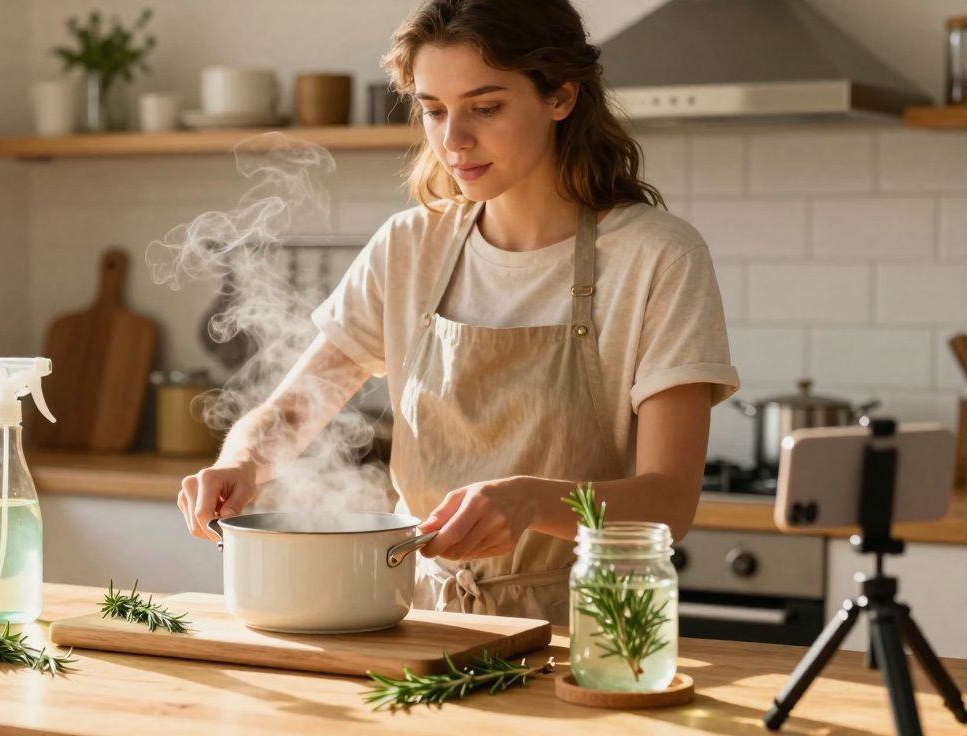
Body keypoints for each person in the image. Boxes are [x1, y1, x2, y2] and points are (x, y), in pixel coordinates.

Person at [177, 0, 739, 624]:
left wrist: (532, 503)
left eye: (486, 107)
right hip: (421, 619)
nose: (453, 140)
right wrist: (239, 465)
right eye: (433, 110)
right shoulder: (409, 247)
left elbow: (670, 503)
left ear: (561, 97)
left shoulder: (657, 257)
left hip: (591, 630)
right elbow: (291, 409)